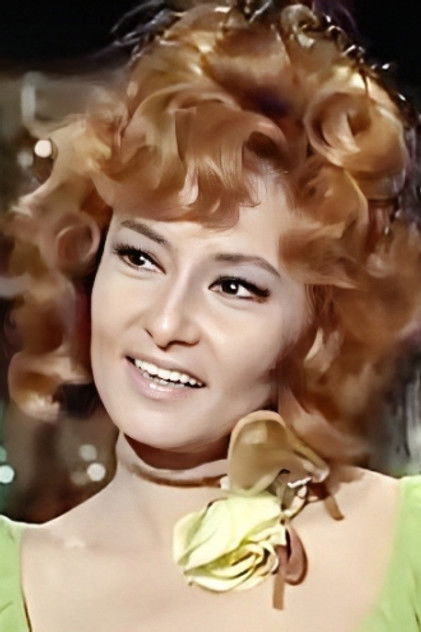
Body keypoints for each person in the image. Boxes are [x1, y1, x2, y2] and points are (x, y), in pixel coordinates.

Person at [1, 1, 421, 630]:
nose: (166, 323)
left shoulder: (408, 541)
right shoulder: (15, 578)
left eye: (233, 286)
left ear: (320, 328)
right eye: (140, 257)